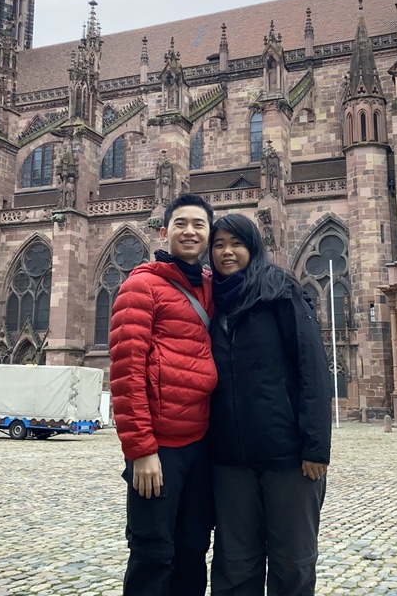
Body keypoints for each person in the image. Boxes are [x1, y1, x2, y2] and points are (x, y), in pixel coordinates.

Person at [207, 213, 332, 596]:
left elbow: (312, 366)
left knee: (292, 562)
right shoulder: (212, 302)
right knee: (234, 564)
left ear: (253, 248)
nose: (227, 252)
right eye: (219, 245)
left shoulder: (279, 290)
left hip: (288, 458)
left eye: (236, 244)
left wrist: (316, 447)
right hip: (231, 460)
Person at [109, 193, 219, 596]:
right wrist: (141, 450)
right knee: (152, 554)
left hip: (201, 444)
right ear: (163, 232)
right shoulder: (141, 286)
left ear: (208, 234)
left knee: (193, 549)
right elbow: (126, 372)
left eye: (199, 225)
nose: (190, 232)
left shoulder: (211, 288)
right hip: (159, 448)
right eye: (180, 224)